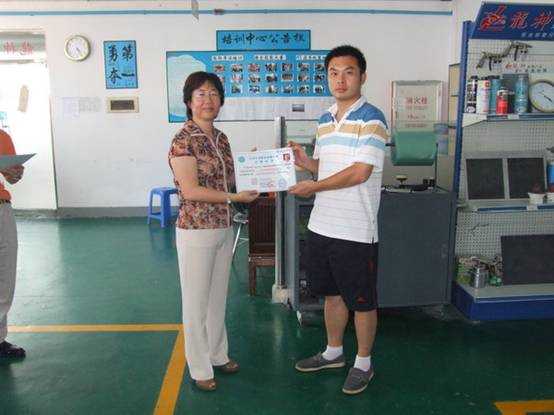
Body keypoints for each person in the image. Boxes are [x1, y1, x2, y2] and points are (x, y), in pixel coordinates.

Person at [289, 45, 389, 395]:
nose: (340, 79)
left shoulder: (372, 119)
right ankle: (333, 352)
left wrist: (314, 185)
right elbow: (326, 168)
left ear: (362, 76)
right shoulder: (324, 120)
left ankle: (364, 362)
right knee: (331, 295)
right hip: (321, 225)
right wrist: (306, 162)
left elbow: (360, 172)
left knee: (362, 302)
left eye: (348, 72)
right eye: (333, 72)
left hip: (356, 230)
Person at [168, 72, 258, 392]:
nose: (208, 100)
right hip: (196, 230)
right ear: (189, 101)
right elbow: (190, 190)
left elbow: (230, 182)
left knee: (217, 298)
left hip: (223, 226)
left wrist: (256, 167)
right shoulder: (183, 140)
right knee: (195, 302)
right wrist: (234, 197)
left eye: (214, 94)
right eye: (201, 94)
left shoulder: (221, 138)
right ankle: (199, 367)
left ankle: (218, 355)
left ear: (221, 100)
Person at [0, 128, 25, 359]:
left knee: (5, 276)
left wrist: (15, 173)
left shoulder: (2, 137)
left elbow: (13, 178)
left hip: (1, 209)